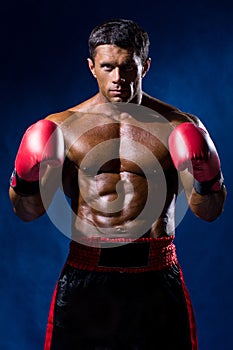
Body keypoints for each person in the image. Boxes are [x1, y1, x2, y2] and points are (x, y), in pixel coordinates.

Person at [9, 19, 226, 350]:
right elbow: (28, 212)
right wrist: (25, 182)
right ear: (91, 67)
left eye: (127, 67)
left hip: (156, 274)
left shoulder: (177, 127)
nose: (118, 78)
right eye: (108, 66)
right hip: (86, 276)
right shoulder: (62, 129)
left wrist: (207, 180)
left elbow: (208, 212)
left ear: (145, 66)